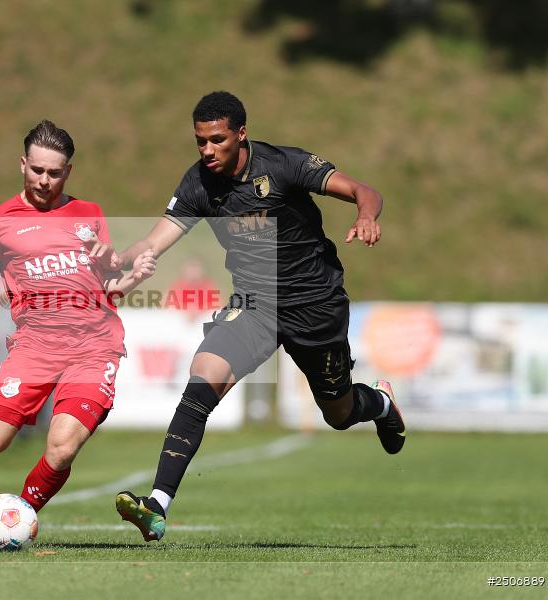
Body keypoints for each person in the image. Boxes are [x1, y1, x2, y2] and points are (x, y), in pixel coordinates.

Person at [112, 91, 406, 542]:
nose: (207, 151)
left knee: (340, 412)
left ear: (241, 134)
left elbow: (365, 190)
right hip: (255, 303)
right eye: (199, 142)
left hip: (315, 302)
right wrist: (118, 261)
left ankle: (381, 402)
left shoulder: (284, 165)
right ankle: (157, 505)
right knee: (203, 376)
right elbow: (154, 240)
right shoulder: (198, 183)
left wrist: (366, 216)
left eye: (216, 140)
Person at [0, 120, 156, 512]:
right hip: (35, 346)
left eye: (54, 173)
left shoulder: (89, 214)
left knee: (63, 446)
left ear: (67, 172)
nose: (44, 180)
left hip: (94, 347)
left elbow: (104, 290)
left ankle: (21, 512)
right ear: (22, 164)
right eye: (37, 170)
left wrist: (130, 276)